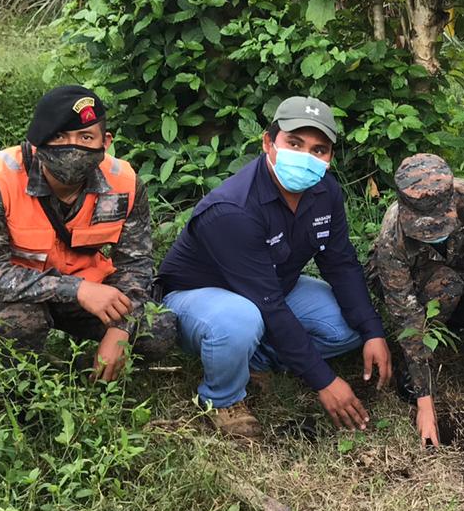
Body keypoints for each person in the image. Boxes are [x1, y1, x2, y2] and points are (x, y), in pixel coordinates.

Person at [158, 96, 392, 440]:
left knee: (349, 327)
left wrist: (373, 331)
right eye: (294, 143)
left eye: (318, 150)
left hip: (274, 284)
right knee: (239, 320)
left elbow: (340, 262)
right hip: (199, 296)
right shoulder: (233, 209)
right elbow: (267, 303)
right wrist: (323, 379)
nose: (305, 157)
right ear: (269, 143)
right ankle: (222, 398)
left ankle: (255, 359)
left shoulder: (325, 190)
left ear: (329, 158)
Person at [0, 85, 175, 380]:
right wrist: (77, 290)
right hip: (13, 295)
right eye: (59, 136)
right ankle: (23, 391)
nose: (72, 148)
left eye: (86, 137)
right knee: (22, 324)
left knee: (157, 330)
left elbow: (135, 265)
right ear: (37, 142)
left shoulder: (124, 182)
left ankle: (79, 374)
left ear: (105, 142)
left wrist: (119, 328)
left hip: (89, 289)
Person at [369, 153, 464, 447]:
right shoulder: (393, 237)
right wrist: (425, 402)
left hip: (455, 259)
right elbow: (409, 315)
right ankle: (412, 370)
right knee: (448, 286)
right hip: (412, 279)